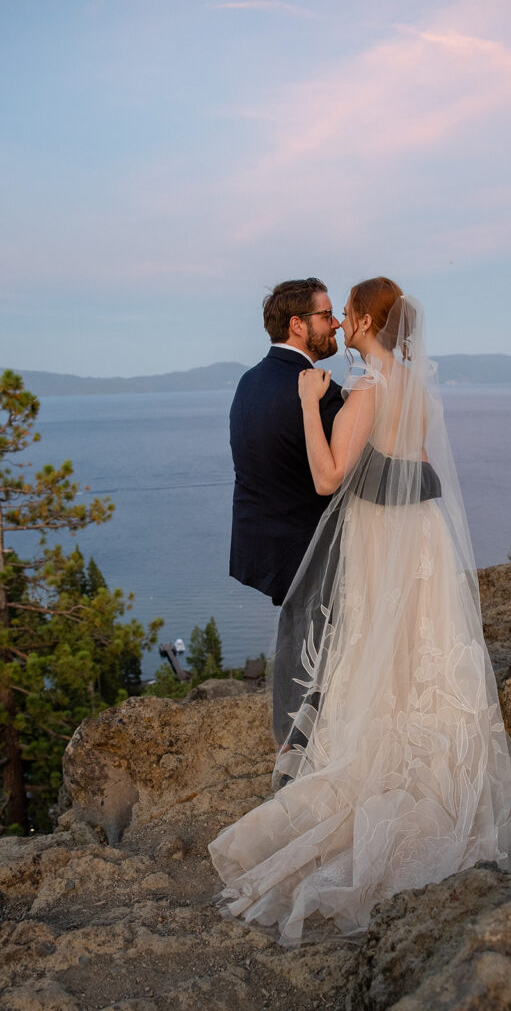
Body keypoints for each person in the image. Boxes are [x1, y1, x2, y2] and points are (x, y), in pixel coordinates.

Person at [210, 277, 511, 946]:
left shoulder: (360, 389)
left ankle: (350, 761)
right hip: (421, 537)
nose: (338, 323)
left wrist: (310, 405)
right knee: (422, 643)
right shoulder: (416, 385)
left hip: (372, 534)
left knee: (369, 649)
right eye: (328, 315)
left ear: (365, 321)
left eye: (345, 314)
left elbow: (329, 478)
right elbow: (418, 464)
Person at [228, 279, 344, 733]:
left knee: (302, 652)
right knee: (323, 662)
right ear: (297, 325)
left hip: (269, 548)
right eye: (326, 315)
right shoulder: (319, 392)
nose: (335, 323)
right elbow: (337, 477)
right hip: (315, 553)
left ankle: (297, 739)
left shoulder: (248, 382)